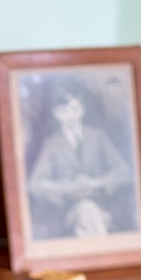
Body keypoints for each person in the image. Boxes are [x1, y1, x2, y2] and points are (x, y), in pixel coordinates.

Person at [25, 86, 133, 240]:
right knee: (87, 212)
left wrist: (95, 183)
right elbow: (35, 184)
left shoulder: (98, 137)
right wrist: (66, 187)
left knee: (91, 220)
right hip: (69, 211)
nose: (71, 116)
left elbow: (123, 171)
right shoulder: (52, 144)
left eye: (74, 109)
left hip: (105, 206)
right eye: (64, 110)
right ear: (56, 114)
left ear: (82, 110)